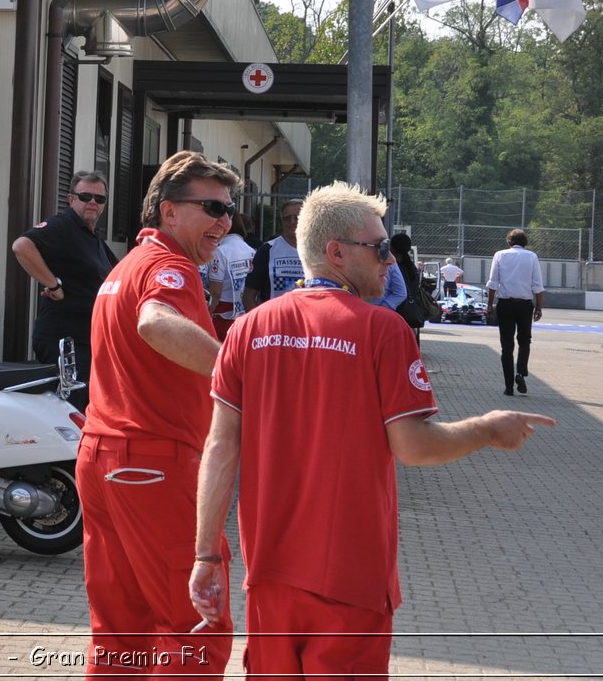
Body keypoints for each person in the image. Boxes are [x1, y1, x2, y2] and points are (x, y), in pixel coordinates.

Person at [189, 181, 556, 678]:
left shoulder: (249, 328)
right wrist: (488, 429)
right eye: (380, 247)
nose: (391, 259)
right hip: (350, 578)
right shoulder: (384, 331)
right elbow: (414, 446)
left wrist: (207, 554)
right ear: (336, 252)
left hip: (269, 576)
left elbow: (220, 447)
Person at [79, 151, 240, 676]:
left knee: (122, 631)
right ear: (169, 213)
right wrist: (242, 378)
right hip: (152, 462)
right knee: (197, 626)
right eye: (211, 207)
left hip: (105, 460)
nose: (224, 221)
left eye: (229, 210)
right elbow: (155, 322)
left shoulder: (127, 265)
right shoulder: (169, 266)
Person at [11, 171, 118, 407]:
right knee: (73, 410)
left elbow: (117, 275)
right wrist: (53, 284)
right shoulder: (63, 226)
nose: (92, 202)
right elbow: (22, 246)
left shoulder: (93, 238)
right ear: (71, 199)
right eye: (85, 196)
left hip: (87, 340)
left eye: (99, 199)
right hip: (65, 341)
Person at [486, 228, 545, 397]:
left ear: (509, 241)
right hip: (525, 305)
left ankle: (509, 386)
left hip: (505, 304)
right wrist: (539, 307)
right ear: (525, 242)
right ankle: (520, 373)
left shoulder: (499, 255)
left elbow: (493, 283)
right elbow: (538, 285)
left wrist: (490, 304)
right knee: (525, 341)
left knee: (506, 346)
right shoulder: (532, 256)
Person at [241, 198, 304, 310]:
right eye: (287, 218)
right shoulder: (267, 250)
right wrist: (261, 324)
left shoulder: (320, 250)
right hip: (275, 323)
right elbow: (248, 297)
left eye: (297, 217)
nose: (292, 222)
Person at [205, 207, 253, 339]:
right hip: (244, 314)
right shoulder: (250, 250)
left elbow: (215, 293)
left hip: (222, 316)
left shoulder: (220, 251)